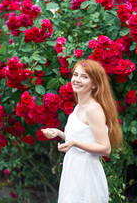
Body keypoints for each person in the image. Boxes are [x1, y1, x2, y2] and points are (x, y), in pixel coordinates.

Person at [42, 59, 123, 203]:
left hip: (86, 176)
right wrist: (60, 134)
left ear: (94, 85)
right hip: (72, 172)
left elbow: (105, 148)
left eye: (84, 77)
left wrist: (74, 143)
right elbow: (85, 137)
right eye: (75, 75)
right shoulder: (79, 106)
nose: (77, 80)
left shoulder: (93, 109)